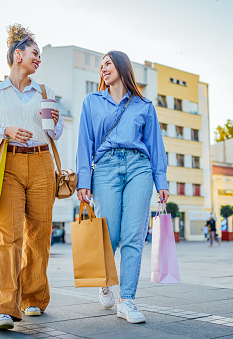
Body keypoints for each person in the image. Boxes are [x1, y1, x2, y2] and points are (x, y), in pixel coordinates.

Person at [76, 50, 169, 324]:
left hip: (140, 167)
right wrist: (83, 180)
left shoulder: (144, 105)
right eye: (101, 65)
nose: (103, 69)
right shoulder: (91, 102)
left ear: (122, 67)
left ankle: (127, 300)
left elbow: (155, 146)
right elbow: (84, 143)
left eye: (108, 63)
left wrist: (160, 181)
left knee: (133, 235)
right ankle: (104, 281)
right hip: (104, 168)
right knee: (110, 234)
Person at [0, 24, 64, 331]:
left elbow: (54, 133)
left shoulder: (45, 91)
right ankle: (4, 307)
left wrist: (56, 122)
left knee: (40, 236)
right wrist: (6, 131)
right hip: (10, 165)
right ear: (18, 55)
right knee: (9, 236)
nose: (38, 59)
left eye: (40, 55)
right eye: (35, 53)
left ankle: (33, 298)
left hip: (43, 163)